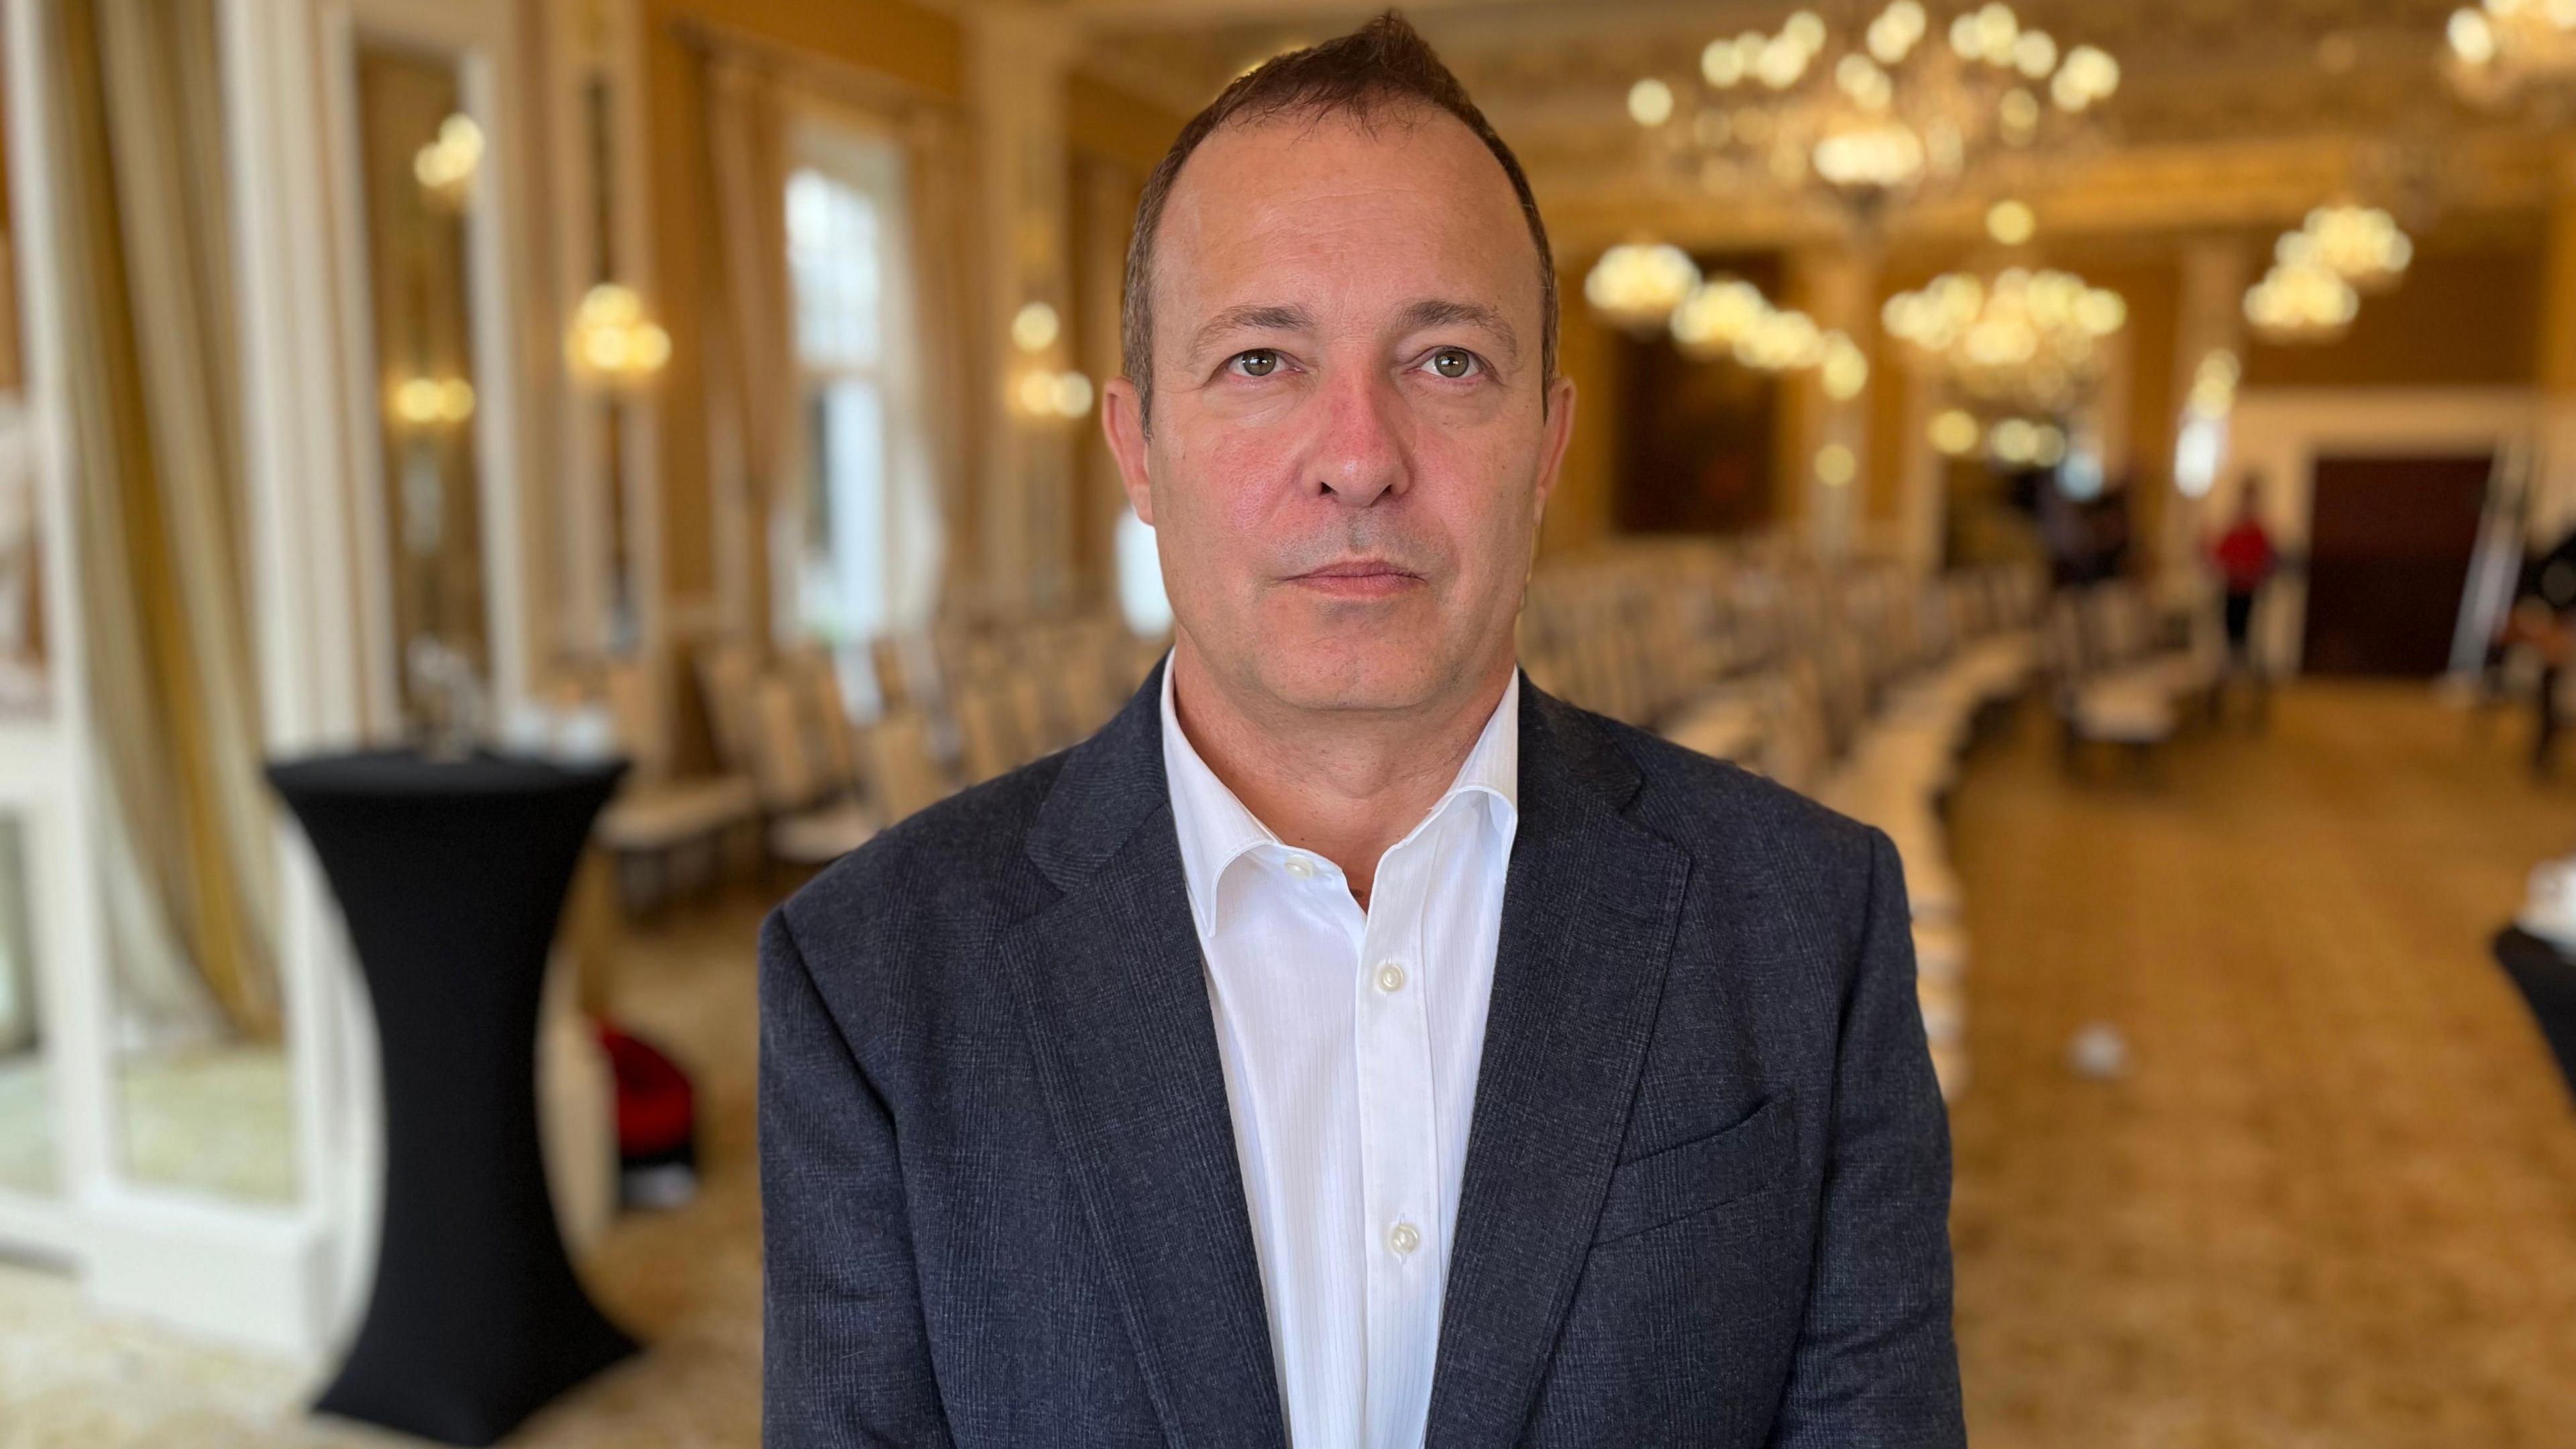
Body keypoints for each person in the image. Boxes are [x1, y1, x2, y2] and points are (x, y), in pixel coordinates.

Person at [758, 14, 1964, 1448]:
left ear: (1548, 447)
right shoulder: (872, 978)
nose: (1358, 458)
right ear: (1139, 449)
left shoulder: (1808, 923)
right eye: (1262, 360)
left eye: (1446, 362)